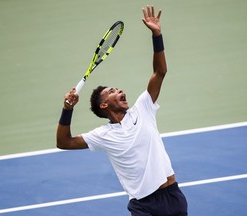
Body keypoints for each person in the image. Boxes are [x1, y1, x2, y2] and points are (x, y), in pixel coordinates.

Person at [56, 5, 188, 216]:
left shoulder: (143, 108)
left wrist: (157, 35)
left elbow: (160, 72)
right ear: (104, 105)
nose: (120, 90)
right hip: (145, 207)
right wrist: (67, 109)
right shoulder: (103, 135)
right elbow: (63, 142)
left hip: (172, 196)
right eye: (113, 91)